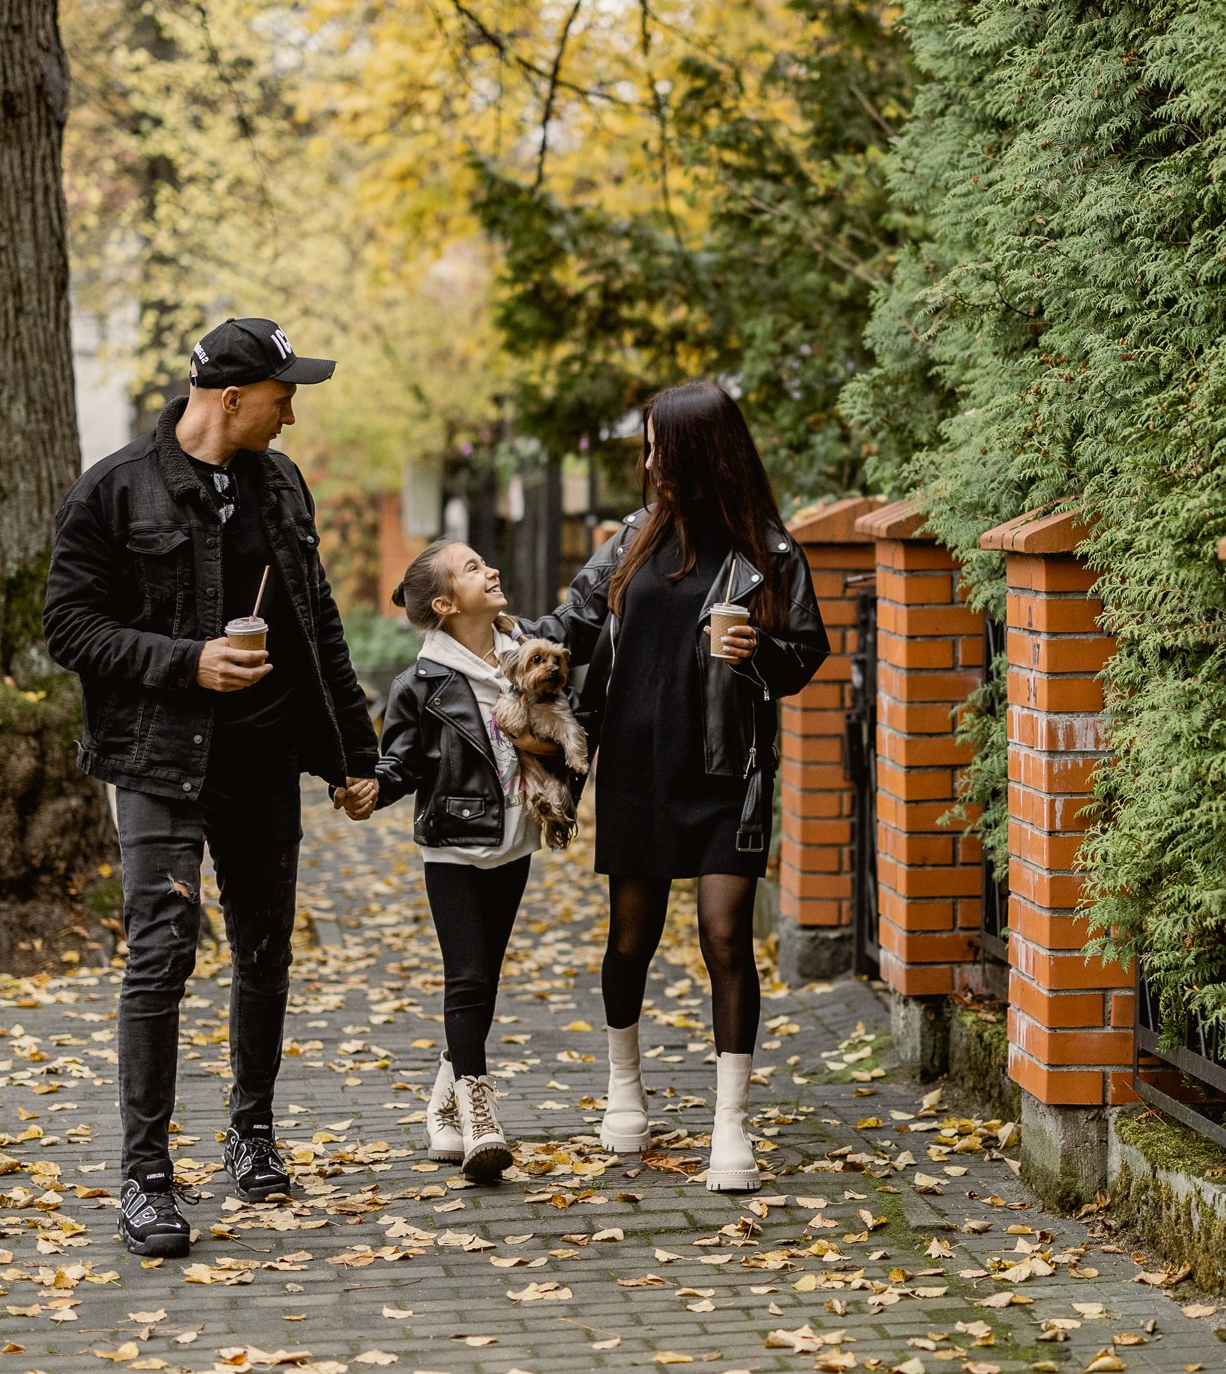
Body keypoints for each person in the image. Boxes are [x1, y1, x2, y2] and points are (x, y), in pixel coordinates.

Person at [42, 317, 382, 1259]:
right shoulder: (114, 491)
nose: (293, 415)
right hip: (159, 759)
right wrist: (185, 662)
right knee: (160, 954)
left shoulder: (281, 484)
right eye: (284, 397)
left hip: (264, 761)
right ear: (232, 398)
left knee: (266, 947)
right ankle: (146, 1180)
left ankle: (252, 1132)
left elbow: (315, 621)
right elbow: (68, 626)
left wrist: (358, 754)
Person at [529, 382, 829, 1192]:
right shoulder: (632, 538)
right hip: (635, 768)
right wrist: (497, 633)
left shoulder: (769, 550)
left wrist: (757, 653)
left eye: (659, 444)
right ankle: (625, 1085)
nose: (648, 458)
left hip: (727, 772)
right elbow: (573, 621)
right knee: (632, 936)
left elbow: (806, 652)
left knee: (725, 935)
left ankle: (730, 1125)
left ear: (698, 450)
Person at [358, 540, 556, 1182]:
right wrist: (371, 789)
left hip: (515, 839)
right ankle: (479, 1113)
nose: (492, 569)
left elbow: (560, 732)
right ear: (445, 604)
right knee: (467, 976)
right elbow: (402, 761)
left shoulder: (525, 654)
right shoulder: (420, 683)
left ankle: (441, 1103)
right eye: (473, 569)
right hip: (452, 843)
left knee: (486, 977)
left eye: (484, 562)